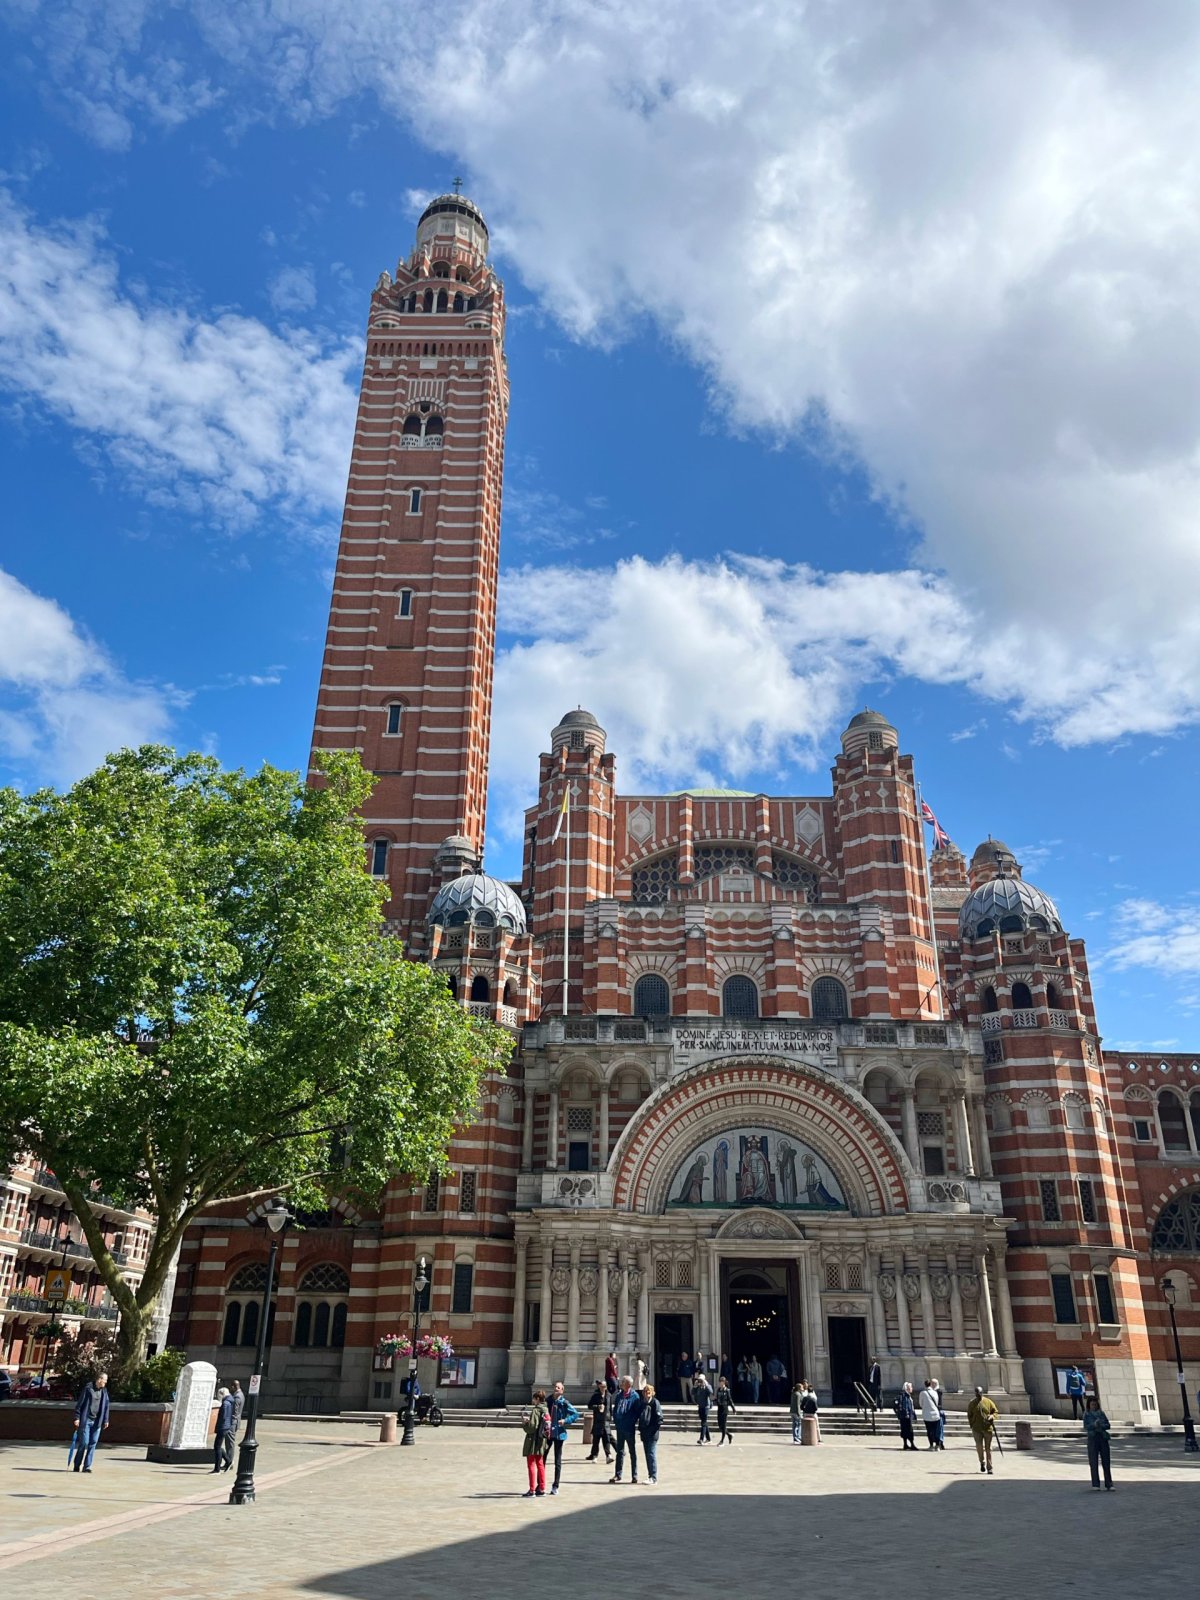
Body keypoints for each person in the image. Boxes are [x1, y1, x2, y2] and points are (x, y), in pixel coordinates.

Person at [544, 1380, 581, 1495]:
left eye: (558, 1388)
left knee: (557, 1460)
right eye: (555, 1387)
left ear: (562, 1390)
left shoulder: (564, 1403)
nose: (556, 1389)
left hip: (559, 1434)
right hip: (548, 1433)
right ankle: (541, 1484)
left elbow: (576, 1414)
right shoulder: (548, 1400)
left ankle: (555, 1485)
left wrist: (565, 1421)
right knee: (542, 1457)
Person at [72, 1372, 110, 1473]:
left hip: (97, 1421)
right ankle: (77, 1464)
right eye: (104, 1380)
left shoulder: (104, 1391)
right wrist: (77, 1418)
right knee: (84, 1443)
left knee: (93, 1443)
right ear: (99, 1379)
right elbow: (79, 1404)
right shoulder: (88, 1389)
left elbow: (106, 1407)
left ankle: (87, 1466)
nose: (105, 1382)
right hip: (86, 1420)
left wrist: (106, 1419)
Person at [609, 1376, 643, 1484]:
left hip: (629, 1427)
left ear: (628, 1384)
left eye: (623, 1382)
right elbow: (615, 1409)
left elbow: (637, 1412)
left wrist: (630, 1421)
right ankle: (618, 1474)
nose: (621, 1383)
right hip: (620, 1427)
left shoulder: (635, 1396)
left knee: (632, 1451)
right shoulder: (619, 1395)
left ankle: (634, 1475)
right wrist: (616, 1419)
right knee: (619, 1451)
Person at [522, 1389, 550, 1497]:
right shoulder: (545, 1410)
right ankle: (542, 1488)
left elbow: (532, 1427)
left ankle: (532, 1489)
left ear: (537, 1399)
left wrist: (525, 1423)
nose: (533, 1401)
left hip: (533, 1440)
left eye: (534, 1399)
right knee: (540, 1464)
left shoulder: (536, 1410)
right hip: (542, 1439)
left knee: (531, 1464)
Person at [1083, 1396, 1114, 1491]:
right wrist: (1094, 1425)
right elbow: (1086, 1426)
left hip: (1102, 1438)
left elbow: (1108, 1425)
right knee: (1093, 1462)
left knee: (1106, 1461)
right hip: (1093, 1438)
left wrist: (1101, 1425)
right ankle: (1095, 1484)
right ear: (1089, 1405)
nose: (1094, 1406)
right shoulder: (1087, 1414)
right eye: (1092, 1404)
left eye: (1095, 1404)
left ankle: (1109, 1483)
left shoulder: (1101, 1414)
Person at [967, 1385, 999, 1475]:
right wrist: (972, 1425)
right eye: (976, 1393)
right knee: (979, 1447)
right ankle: (982, 1462)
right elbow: (969, 1415)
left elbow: (995, 1411)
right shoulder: (972, 1403)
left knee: (988, 1448)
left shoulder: (988, 1402)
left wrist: (992, 1416)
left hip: (987, 1428)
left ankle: (990, 1468)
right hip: (977, 1429)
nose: (978, 1395)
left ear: (982, 1393)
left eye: (980, 1393)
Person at [638, 1383, 663, 1484]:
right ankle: (650, 1476)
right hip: (644, 1433)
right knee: (647, 1454)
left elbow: (659, 1419)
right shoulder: (642, 1403)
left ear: (652, 1393)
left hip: (652, 1434)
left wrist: (653, 1430)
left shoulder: (655, 1403)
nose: (646, 1394)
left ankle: (653, 1477)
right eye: (645, 1392)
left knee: (651, 1454)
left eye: (648, 1392)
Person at [586, 1379, 612, 1465]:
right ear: (599, 1387)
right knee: (596, 1440)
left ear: (606, 1387)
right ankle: (595, 1456)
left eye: (604, 1387)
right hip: (598, 1420)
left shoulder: (609, 1395)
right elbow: (589, 1405)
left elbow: (610, 1408)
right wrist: (597, 1407)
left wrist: (610, 1417)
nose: (602, 1388)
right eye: (601, 1387)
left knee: (607, 1440)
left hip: (606, 1420)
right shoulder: (595, 1396)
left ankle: (608, 1456)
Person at [213, 1386, 235, 1474]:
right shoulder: (230, 1401)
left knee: (217, 1447)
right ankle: (228, 1461)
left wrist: (219, 1425)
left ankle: (217, 1468)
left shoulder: (225, 1403)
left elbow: (224, 1416)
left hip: (222, 1427)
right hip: (226, 1426)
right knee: (218, 1446)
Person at [918, 1379, 943, 1449]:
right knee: (936, 1430)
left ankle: (931, 1445)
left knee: (929, 1430)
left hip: (927, 1414)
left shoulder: (922, 1393)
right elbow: (937, 1402)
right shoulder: (935, 1392)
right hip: (935, 1414)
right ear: (931, 1385)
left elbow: (920, 1404)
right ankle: (937, 1445)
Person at [894, 1381, 918, 1451]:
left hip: (903, 1416)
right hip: (906, 1416)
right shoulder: (905, 1396)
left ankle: (905, 1444)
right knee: (909, 1430)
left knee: (904, 1430)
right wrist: (908, 1414)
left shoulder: (904, 1395)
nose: (912, 1388)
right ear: (907, 1388)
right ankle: (911, 1444)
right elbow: (906, 1406)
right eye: (911, 1387)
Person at [694, 1367, 713, 1443]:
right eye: (699, 1380)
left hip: (706, 1406)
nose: (700, 1381)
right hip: (700, 1406)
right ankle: (708, 1439)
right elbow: (692, 1393)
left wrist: (706, 1384)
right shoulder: (698, 1387)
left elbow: (711, 1391)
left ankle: (701, 1438)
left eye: (701, 1380)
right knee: (704, 1422)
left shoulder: (707, 1387)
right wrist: (695, 1386)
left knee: (703, 1422)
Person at [715, 1376, 736, 1445]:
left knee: (723, 1425)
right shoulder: (718, 1390)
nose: (721, 1383)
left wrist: (733, 1408)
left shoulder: (727, 1390)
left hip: (725, 1408)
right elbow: (717, 1398)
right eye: (720, 1382)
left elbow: (730, 1400)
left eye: (722, 1382)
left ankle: (722, 1441)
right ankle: (729, 1435)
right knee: (720, 1425)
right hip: (719, 1408)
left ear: (724, 1382)